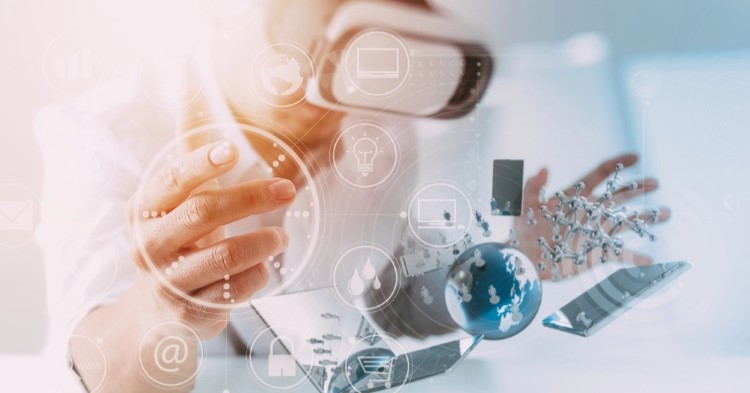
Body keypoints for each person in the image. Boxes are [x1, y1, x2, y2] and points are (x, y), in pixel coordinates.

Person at [35, 1, 668, 392]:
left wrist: (496, 268)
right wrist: (156, 309)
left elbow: (393, 309)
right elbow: (91, 368)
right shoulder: (103, 134)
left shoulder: (382, 125)